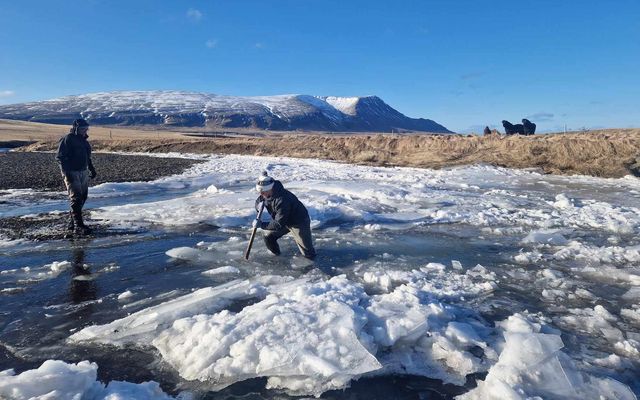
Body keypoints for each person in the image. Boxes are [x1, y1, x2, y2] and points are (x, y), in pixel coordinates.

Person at [252, 172, 316, 259]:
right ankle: (277, 256)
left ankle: (312, 266)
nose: (261, 194)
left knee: (307, 252)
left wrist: (261, 224)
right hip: (283, 220)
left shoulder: (282, 199)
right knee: (269, 237)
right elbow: (260, 200)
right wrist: (258, 206)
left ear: (270, 189)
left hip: (298, 222)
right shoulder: (267, 193)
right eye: (260, 192)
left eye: (263, 192)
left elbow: (278, 224)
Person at [56, 118, 97, 235]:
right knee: (76, 197)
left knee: (83, 196)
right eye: (82, 128)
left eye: (86, 128)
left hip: (83, 171)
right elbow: (60, 157)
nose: (84, 131)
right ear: (76, 128)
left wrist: (91, 168)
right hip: (71, 172)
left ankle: (73, 222)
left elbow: (87, 157)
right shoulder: (68, 139)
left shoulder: (84, 141)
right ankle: (79, 226)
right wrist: (67, 172)